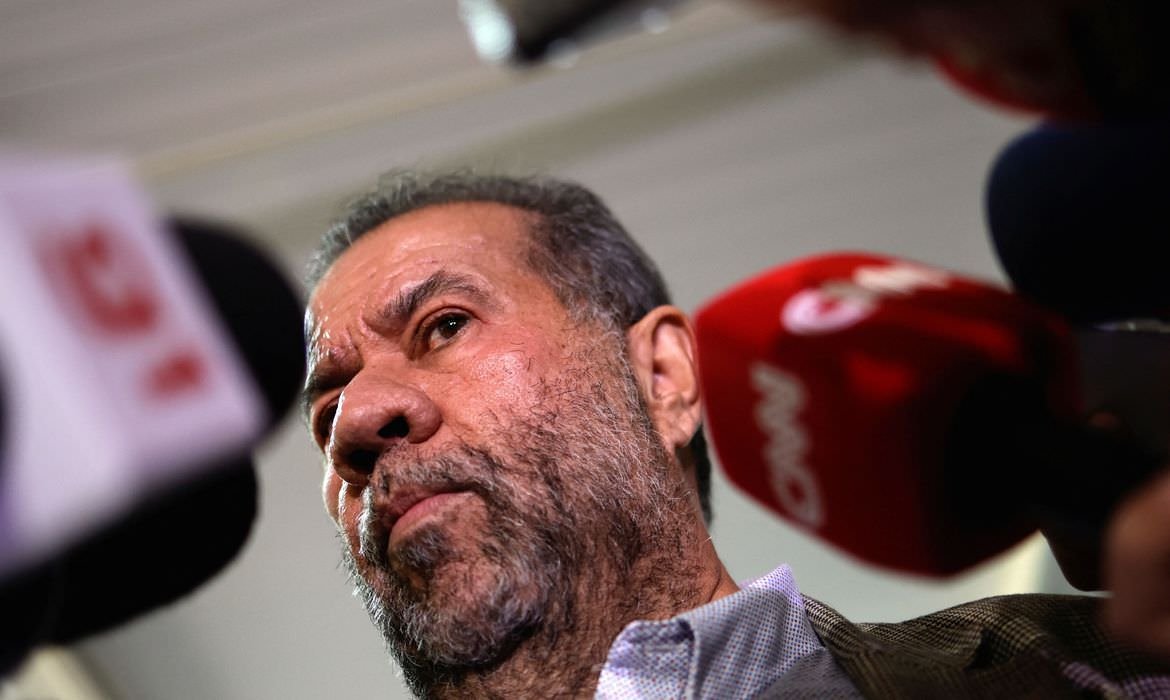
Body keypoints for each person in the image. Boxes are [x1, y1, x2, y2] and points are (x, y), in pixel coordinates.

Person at [301, 170, 1170, 698]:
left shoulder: (1099, 670)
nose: (355, 423)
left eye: (445, 326)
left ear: (664, 377)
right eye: (326, 409)